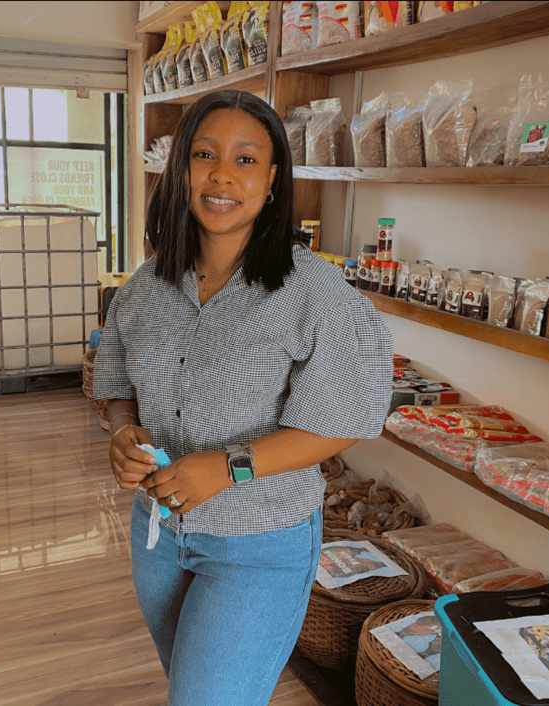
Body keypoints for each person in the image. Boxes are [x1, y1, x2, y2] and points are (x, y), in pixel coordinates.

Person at [92, 90, 392, 705]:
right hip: (158, 534)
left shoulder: (313, 290)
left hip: (258, 541)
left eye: (246, 159)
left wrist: (230, 466)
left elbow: (346, 418)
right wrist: (124, 432)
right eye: (204, 154)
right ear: (181, 170)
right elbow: (118, 383)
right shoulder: (148, 284)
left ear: (274, 177)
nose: (222, 175)